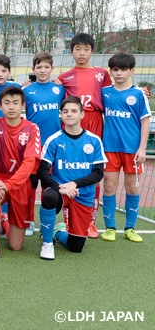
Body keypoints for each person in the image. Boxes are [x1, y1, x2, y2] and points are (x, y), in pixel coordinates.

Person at [38, 97, 106, 260]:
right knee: (49, 196)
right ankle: (47, 243)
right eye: (65, 111)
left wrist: (74, 183)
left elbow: (98, 173)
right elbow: (42, 171)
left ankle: (58, 232)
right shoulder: (54, 139)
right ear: (60, 115)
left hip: (82, 194)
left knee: (76, 247)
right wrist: (61, 187)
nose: (69, 115)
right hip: (59, 191)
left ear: (82, 114)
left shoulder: (94, 140)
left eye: (74, 111)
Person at [58, 32, 111, 238]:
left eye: (86, 49)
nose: (81, 53)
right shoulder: (64, 77)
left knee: (93, 171)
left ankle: (90, 222)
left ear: (92, 50)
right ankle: (69, 221)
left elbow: (114, 93)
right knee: (69, 170)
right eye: (77, 49)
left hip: (94, 120)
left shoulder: (102, 74)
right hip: (71, 122)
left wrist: (139, 90)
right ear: (71, 52)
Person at [0, 86, 40, 259]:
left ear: (23, 105)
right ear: (0, 106)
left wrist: (10, 184)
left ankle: (4, 220)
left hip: (20, 183)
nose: (11, 107)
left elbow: (29, 162)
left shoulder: (32, 128)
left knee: (15, 246)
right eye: (7, 103)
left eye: (15, 103)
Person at [100, 52, 150, 244]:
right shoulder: (105, 92)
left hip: (132, 150)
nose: (118, 73)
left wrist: (143, 149)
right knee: (110, 186)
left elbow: (145, 121)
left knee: (132, 188)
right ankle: (110, 227)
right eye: (115, 69)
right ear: (111, 71)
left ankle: (130, 228)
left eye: (123, 70)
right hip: (110, 148)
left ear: (132, 71)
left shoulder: (138, 94)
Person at [23, 52, 66, 237]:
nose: (42, 70)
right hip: (33, 145)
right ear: (33, 70)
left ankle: (49, 222)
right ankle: (29, 220)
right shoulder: (26, 90)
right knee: (31, 184)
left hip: (54, 146)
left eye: (46, 67)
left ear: (52, 69)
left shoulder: (60, 89)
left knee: (51, 185)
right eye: (39, 67)